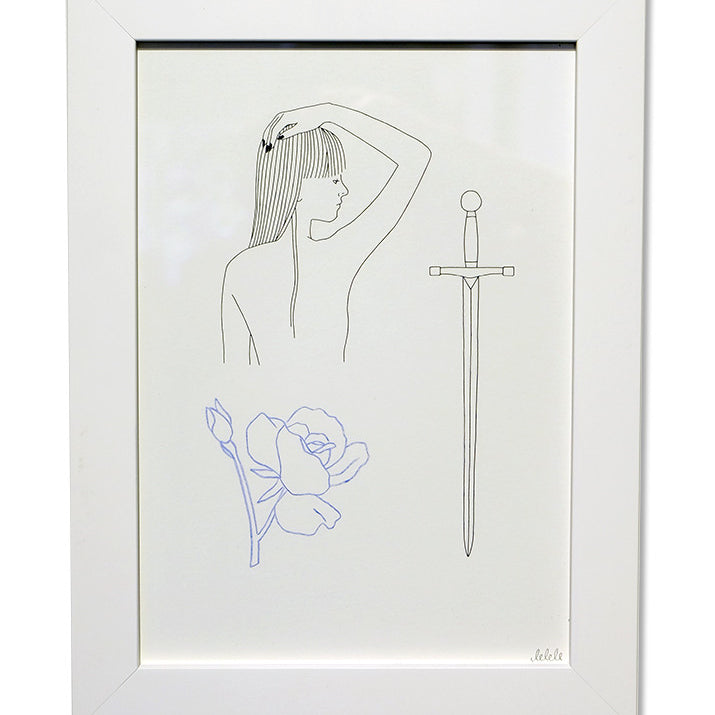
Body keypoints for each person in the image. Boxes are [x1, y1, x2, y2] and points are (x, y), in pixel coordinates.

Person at [221, 102, 430, 365]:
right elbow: (415, 158)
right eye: (333, 179)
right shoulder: (338, 255)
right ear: (296, 185)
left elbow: (233, 372)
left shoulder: (240, 269)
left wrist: (328, 112)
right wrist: (329, 113)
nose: (344, 189)